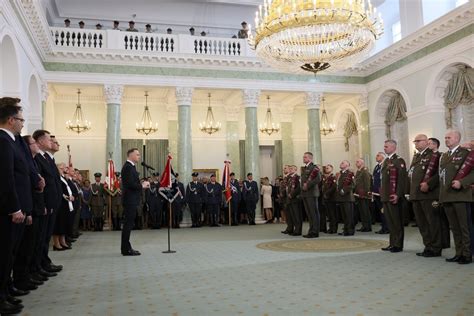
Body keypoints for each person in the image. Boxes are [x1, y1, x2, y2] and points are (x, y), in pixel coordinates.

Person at [0, 98, 31, 314]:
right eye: (20, 119)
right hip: (8, 211)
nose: (22, 123)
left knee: (9, 255)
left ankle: (5, 291)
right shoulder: (4, 141)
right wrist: (15, 208)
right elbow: (6, 178)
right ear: (11, 120)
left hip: (16, 208)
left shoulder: (12, 141)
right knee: (3, 256)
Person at [31, 130, 63, 278]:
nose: (51, 142)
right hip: (44, 204)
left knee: (44, 237)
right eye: (49, 140)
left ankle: (43, 263)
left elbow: (53, 182)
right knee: (39, 238)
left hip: (52, 203)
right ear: (40, 141)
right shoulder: (38, 158)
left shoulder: (47, 158)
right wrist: (43, 203)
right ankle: (37, 266)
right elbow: (41, 183)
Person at [440, 130, 473, 264]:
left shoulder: (466, 153)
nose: (446, 139)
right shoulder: (445, 155)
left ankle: (467, 254)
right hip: (447, 195)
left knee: (464, 227)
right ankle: (458, 252)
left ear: (457, 139)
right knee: (454, 227)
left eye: (449, 137)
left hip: (461, 195)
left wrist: (462, 182)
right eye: (445, 137)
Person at [409, 134, 443, 258]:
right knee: (422, 223)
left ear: (426, 142)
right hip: (416, 194)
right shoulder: (417, 156)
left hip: (428, 194)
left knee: (432, 222)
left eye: (418, 141)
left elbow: (439, 173)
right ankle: (428, 246)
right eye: (415, 141)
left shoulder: (434, 155)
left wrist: (429, 184)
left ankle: (436, 247)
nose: (415, 143)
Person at [380, 140, 407, 253]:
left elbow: (402, 180)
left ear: (393, 147)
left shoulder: (398, 161)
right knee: (390, 221)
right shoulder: (386, 161)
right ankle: (392, 243)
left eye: (386, 146)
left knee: (396, 221)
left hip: (393, 196)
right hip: (386, 195)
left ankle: (398, 244)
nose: (384, 148)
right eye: (384, 146)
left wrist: (398, 194)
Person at [121, 148, 149, 256]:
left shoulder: (131, 167)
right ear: (130, 155)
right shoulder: (128, 167)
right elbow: (129, 185)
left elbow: (132, 182)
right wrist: (141, 185)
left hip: (131, 199)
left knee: (129, 224)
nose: (139, 156)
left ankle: (126, 247)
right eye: (137, 154)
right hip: (129, 200)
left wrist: (140, 183)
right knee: (128, 225)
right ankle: (126, 249)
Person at [300, 152, 322, 238]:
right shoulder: (305, 168)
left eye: (305, 157)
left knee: (313, 213)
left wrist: (307, 185)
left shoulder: (314, 167)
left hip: (311, 193)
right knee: (309, 213)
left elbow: (318, 178)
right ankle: (311, 230)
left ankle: (315, 231)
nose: (303, 158)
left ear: (310, 158)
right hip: (305, 193)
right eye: (303, 157)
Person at [336, 160, 355, 236]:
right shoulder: (340, 173)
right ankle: (346, 230)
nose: (341, 163)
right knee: (344, 215)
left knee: (348, 215)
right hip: (340, 197)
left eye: (343, 163)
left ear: (347, 165)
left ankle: (350, 230)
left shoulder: (350, 174)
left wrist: (344, 190)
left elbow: (353, 185)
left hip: (347, 197)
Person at [372, 152, 388, 234]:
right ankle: (383, 227)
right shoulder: (377, 167)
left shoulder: (385, 165)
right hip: (376, 192)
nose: (376, 157)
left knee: (384, 210)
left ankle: (386, 228)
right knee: (381, 211)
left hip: (382, 192)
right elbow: (375, 179)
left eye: (378, 155)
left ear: (383, 157)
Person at [355, 158, 372, 232]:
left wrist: (366, 192)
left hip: (364, 194)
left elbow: (367, 183)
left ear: (362, 163)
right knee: (362, 211)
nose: (356, 163)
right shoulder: (358, 171)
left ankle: (367, 226)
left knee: (365, 211)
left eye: (358, 162)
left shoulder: (364, 171)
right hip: (359, 194)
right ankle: (364, 225)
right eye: (356, 162)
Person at [286, 165, 302, 236]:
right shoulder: (290, 178)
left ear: (295, 170)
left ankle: (298, 230)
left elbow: (298, 188)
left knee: (296, 215)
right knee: (292, 215)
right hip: (290, 199)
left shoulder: (297, 177)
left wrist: (292, 194)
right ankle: (295, 229)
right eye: (289, 169)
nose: (290, 170)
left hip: (295, 199)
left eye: (292, 169)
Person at [322, 164, 338, 234]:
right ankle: (330, 228)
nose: (326, 169)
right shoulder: (326, 178)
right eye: (326, 168)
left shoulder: (333, 177)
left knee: (333, 214)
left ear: (332, 169)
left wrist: (326, 193)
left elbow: (333, 187)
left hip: (332, 198)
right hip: (327, 198)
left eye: (328, 168)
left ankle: (334, 229)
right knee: (329, 215)